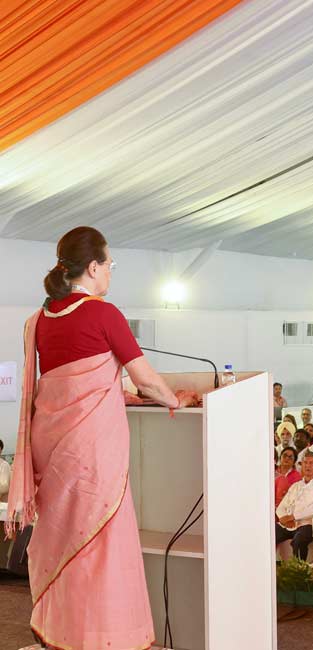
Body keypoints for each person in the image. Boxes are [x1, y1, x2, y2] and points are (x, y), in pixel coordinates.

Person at [7, 227, 195, 649]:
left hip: (51, 448)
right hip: (91, 452)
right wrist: (174, 400)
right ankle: (104, 637)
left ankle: (62, 633)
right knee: (102, 542)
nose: (111, 272)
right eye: (109, 264)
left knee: (60, 539)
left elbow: (65, 385)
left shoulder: (37, 320)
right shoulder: (104, 313)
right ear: (92, 267)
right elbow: (146, 380)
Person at [276, 454, 313, 561]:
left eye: (311, 463)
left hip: (308, 523)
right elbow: (281, 506)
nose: (308, 466)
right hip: (288, 524)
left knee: (299, 540)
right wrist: (283, 518)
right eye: (305, 463)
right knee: (269, 534)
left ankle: (299, 572)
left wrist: (293, 517)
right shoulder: (296, 485)